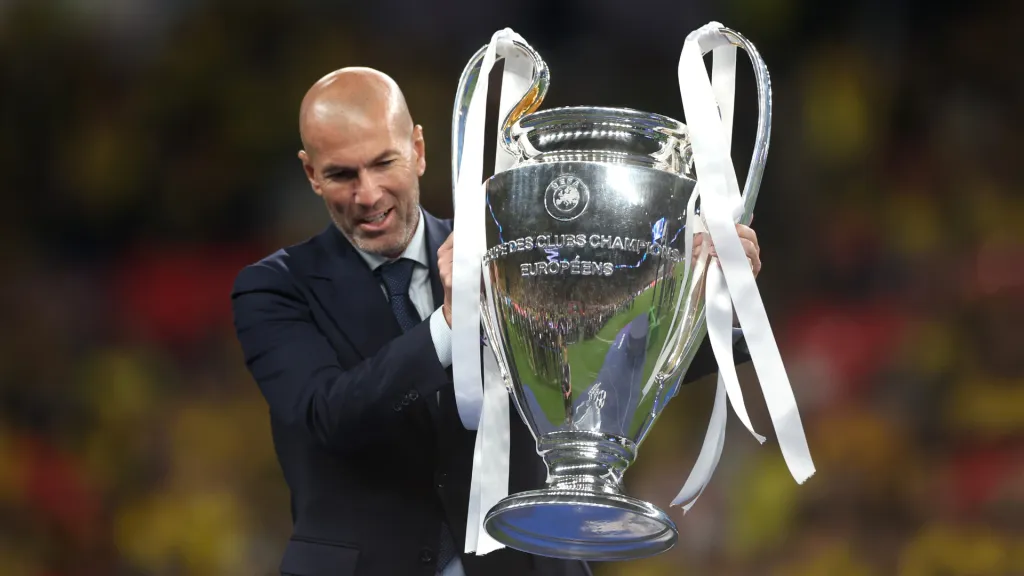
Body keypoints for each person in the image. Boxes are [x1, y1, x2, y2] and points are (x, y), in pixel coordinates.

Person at [230, 67, 763, 576]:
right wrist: (449, 325)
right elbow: (330, 415)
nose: (367, 195)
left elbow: (597, 360)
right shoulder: (274, 288)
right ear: (310, 173)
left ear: (417, 149)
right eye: (342, 174)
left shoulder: (509, 249)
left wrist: (705, 298)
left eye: (383, 163)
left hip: (526, 564)